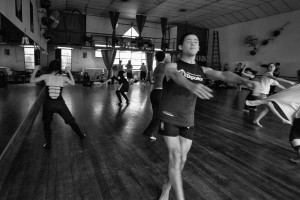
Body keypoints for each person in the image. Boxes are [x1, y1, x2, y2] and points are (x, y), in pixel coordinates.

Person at [158, 32, 260, 200]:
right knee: (175, 156)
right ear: (181, 47)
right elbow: (176, 76)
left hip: (188, 119)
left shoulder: (202, 70)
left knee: (182, 159)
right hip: (169, 115)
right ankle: (174, 195)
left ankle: (166, 185)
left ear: (199, 48)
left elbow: (223, 75)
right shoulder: (172, 66)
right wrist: (190, 85)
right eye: (188, 41)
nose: (193, 42)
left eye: (196, 41)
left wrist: (244, 81)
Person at [246, 69, 300, 163]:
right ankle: (257, 119)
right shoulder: (268, 74)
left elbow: (281, 94)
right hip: (264, 94)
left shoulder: (297, 87)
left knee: (294, 136)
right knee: (267, 106)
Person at [30, 60, 86, 150]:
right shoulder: (63, 78)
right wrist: (69, 72)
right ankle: (81, 136)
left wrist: (36, 70)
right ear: (58, 69)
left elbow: (31, 80)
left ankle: (48, 145)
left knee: (46, 124)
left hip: (48, 104)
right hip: (59, 104)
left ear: (50, 68)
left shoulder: (45, 76)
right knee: (71, 121)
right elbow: (73, 83)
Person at [142, 51, 167, 141]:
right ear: (164, 57)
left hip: (154, 93)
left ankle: (151, 132)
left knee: (157, 115)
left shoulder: (157, 67)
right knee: (162, 115)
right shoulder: (164, 66)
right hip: (160, 93)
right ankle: (157, 131)